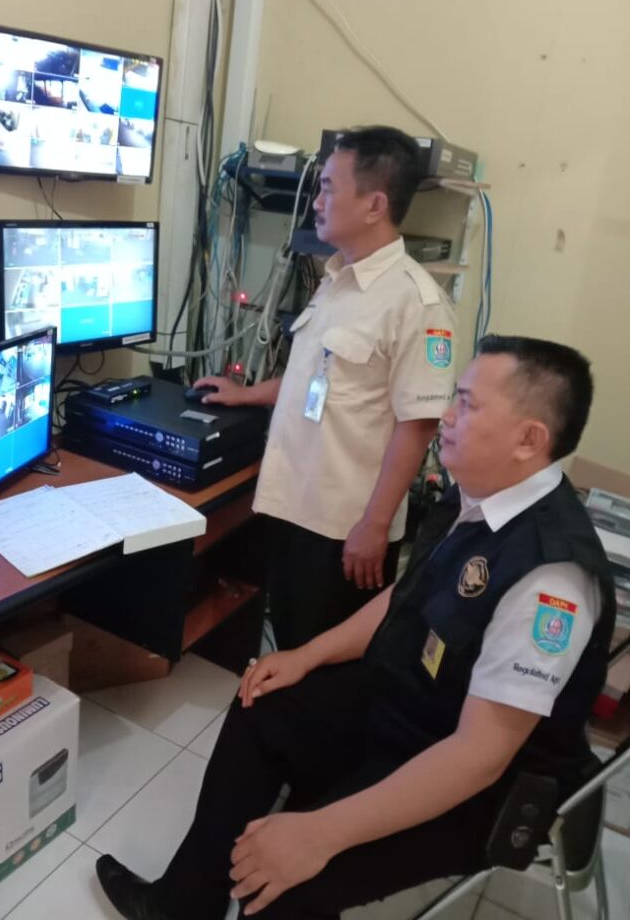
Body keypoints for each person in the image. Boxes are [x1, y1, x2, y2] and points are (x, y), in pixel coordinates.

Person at [96, 335, 616, 920]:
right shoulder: (478, 492)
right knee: (262, 701)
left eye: (468, 404)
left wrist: (320, 832)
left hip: (481, 784)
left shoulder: (550, 580)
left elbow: (479, 757)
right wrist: (308, 655)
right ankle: (181, 905)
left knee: (281, 882)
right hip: (416, 704)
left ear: (529, 439)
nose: (446, 416)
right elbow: (411, 593)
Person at [195, 126, 457, 649]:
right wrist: (246, 394)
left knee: (327, 661)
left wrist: (374, 526)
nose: (316, 201)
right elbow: (317, 376)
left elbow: (419, 424)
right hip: (295, 505)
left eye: (330, 188)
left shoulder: (417, 303)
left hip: (345, 530)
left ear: (374, 205)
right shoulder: (337, 280)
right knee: (291, 644)